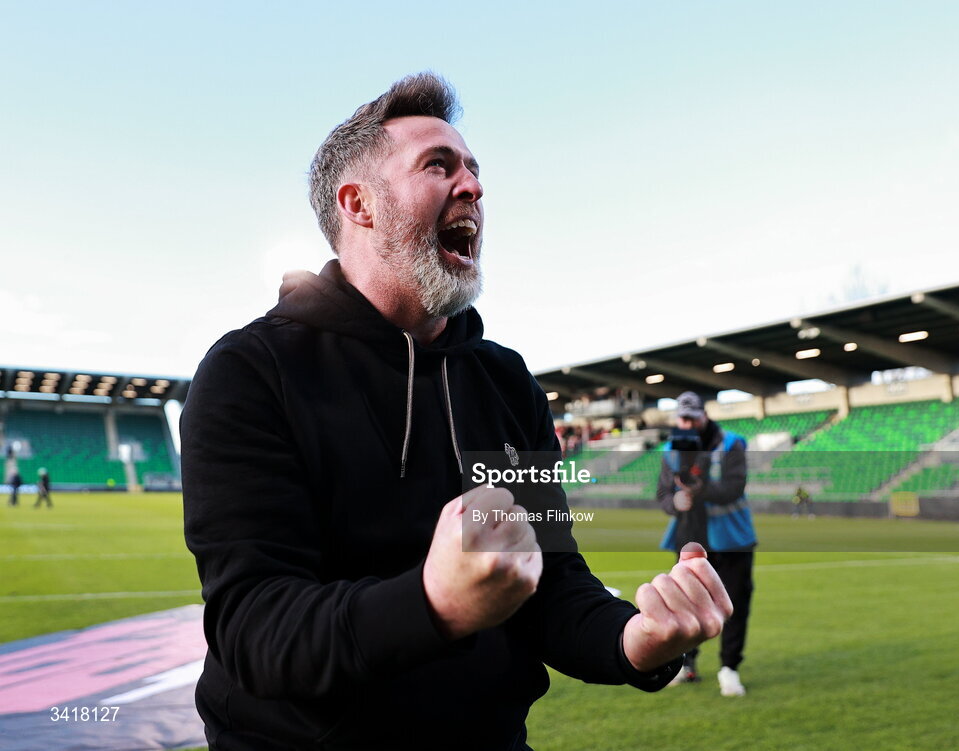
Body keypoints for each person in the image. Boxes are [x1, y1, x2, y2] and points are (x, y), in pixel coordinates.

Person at [181, 73, 733, 751]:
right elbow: (257, 628)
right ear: (359, 203)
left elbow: (552, 582)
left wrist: (634, 640)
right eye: (438, 165)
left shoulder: (504, 380)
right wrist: (433, 603)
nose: (471, 186)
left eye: (473, 169)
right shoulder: (251, 372)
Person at [656, 391, 757, 697]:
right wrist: (675, 500)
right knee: (685, 603)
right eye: (682, 418)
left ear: (704, 416)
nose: (687, 423)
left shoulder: (731, 443)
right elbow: (662, 494)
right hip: (690, 537)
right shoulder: (670, 450)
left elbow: (733, 487)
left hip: (732, 539)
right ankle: (685, 664)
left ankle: (729, 668)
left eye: (692, 418)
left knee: (735, 604)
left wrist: (700, 489)